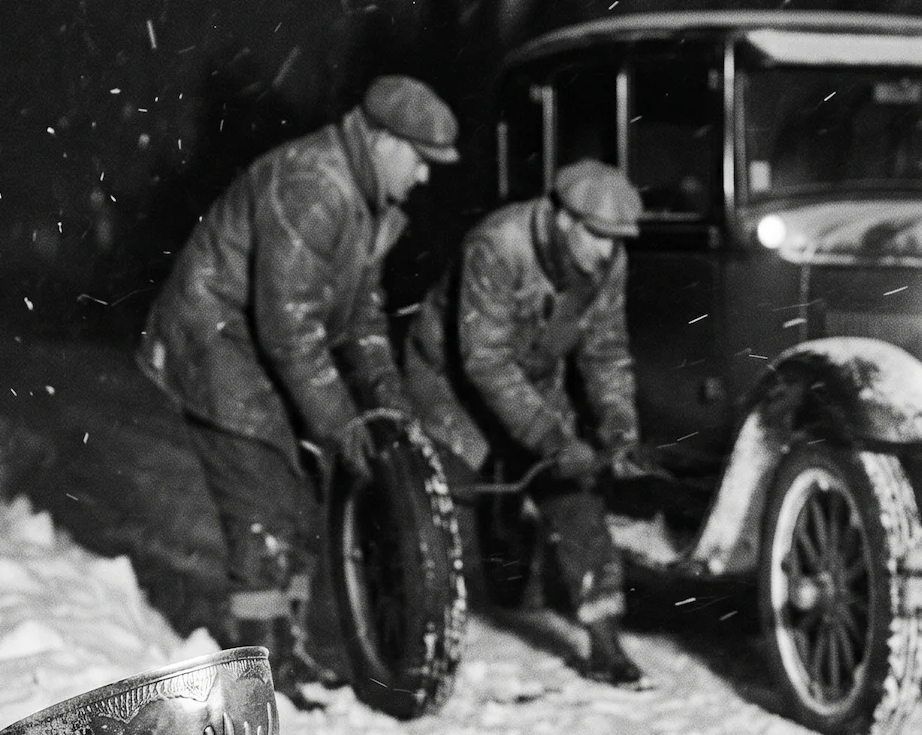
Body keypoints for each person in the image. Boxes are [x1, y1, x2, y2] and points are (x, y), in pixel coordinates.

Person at [135, 75, 458, 693]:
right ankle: (264, 666)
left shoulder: (375, 210)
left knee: (306, 494)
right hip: (219, 342)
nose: (423, 178)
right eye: (420, 160)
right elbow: (291, 327)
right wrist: (339, 421)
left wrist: (388, 405)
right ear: (384, 141)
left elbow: (362, 315)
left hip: (263, 343)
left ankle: (292, 650)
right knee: (262, 503)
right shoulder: (314, 188)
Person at [405, 160, 655, 686]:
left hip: (533, 378)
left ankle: (605, 642)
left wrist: (617, 427)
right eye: (598, 235)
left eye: (617, 240)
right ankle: (419, 636)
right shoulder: (497, 245)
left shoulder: (607, 261)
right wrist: (549, 437)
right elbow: (484, 361)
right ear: (564, 219)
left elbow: (606, 352)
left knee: (576, 496)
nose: (608, 251)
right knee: (446, 507)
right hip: (449, 382)